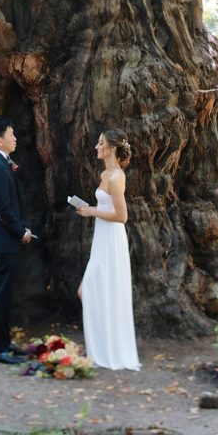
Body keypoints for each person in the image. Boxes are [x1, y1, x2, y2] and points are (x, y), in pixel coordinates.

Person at [76, 129, 141, 371]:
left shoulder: (116, 177)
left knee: (88, 290)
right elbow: (107, 207)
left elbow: (122, 216)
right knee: (92, 290)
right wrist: (89, 208)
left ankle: (107, 350)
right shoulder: (105, 173)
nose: (96, 146)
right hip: (101, 239)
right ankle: (100, 348)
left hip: (112, 240)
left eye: (101, 142)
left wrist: (92, 212)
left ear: (112, 147)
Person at [0, 116, 32, 365]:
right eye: (11, 134)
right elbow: (1, 208)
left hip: (2, 240)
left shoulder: (0, 162)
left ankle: (4, 343)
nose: (15, 138)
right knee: (0, 295)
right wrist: (21, 231)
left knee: (4, 294)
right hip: (0, 241)